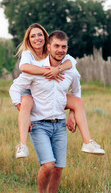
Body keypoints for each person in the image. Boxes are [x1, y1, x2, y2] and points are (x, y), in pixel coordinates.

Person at [9, 30, 96, 193]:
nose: (60, 50)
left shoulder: (69, 67)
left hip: (59, 123)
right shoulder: (34, 66)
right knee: (48, 165)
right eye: (56, 46)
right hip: (39, 123)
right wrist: (22, 108)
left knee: (58, 168)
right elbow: (16, 87)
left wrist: (72, 114)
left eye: (63, 47)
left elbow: (76, 90)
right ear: (48, 47)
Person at [14, 23, 105, 159]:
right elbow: (24, 67)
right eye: (32, 36)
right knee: (25, 104)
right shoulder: (28, 54)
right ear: (28, 40)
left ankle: (87, 142)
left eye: (40, 35)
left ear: (46, 39)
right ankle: (22, 145)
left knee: (78, 102)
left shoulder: (54, 50)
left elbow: (72, 61)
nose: (37, 38)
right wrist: (46, 71)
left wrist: (58, 69)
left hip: (52, 91)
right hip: (29, 89)